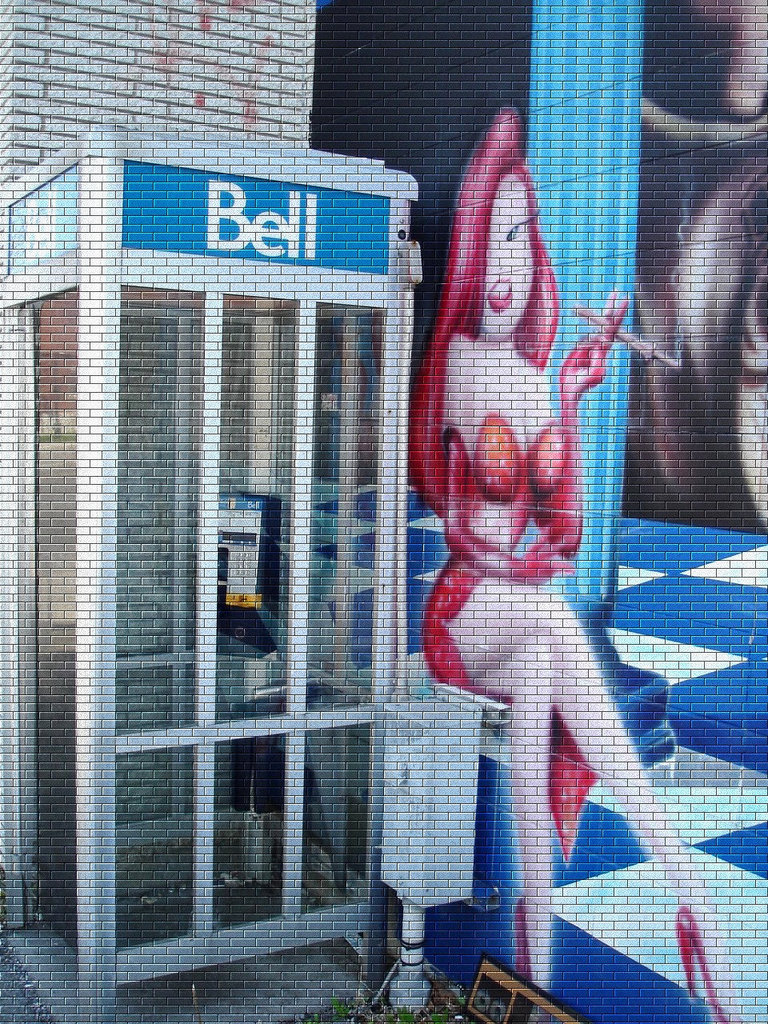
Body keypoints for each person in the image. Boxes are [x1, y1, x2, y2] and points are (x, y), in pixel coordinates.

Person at [409, 108, 742, 1024]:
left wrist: (568, 394)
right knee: (555, 621)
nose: (512, 261)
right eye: (499, 234)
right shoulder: (461, 364)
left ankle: (536, 965)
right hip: (465, 610)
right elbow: (478, 540)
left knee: (540, 710)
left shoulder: (531, 368)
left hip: (517, 614)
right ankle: (683, 879)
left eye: (527, 234)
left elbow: (560, 533)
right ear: (475, 243)